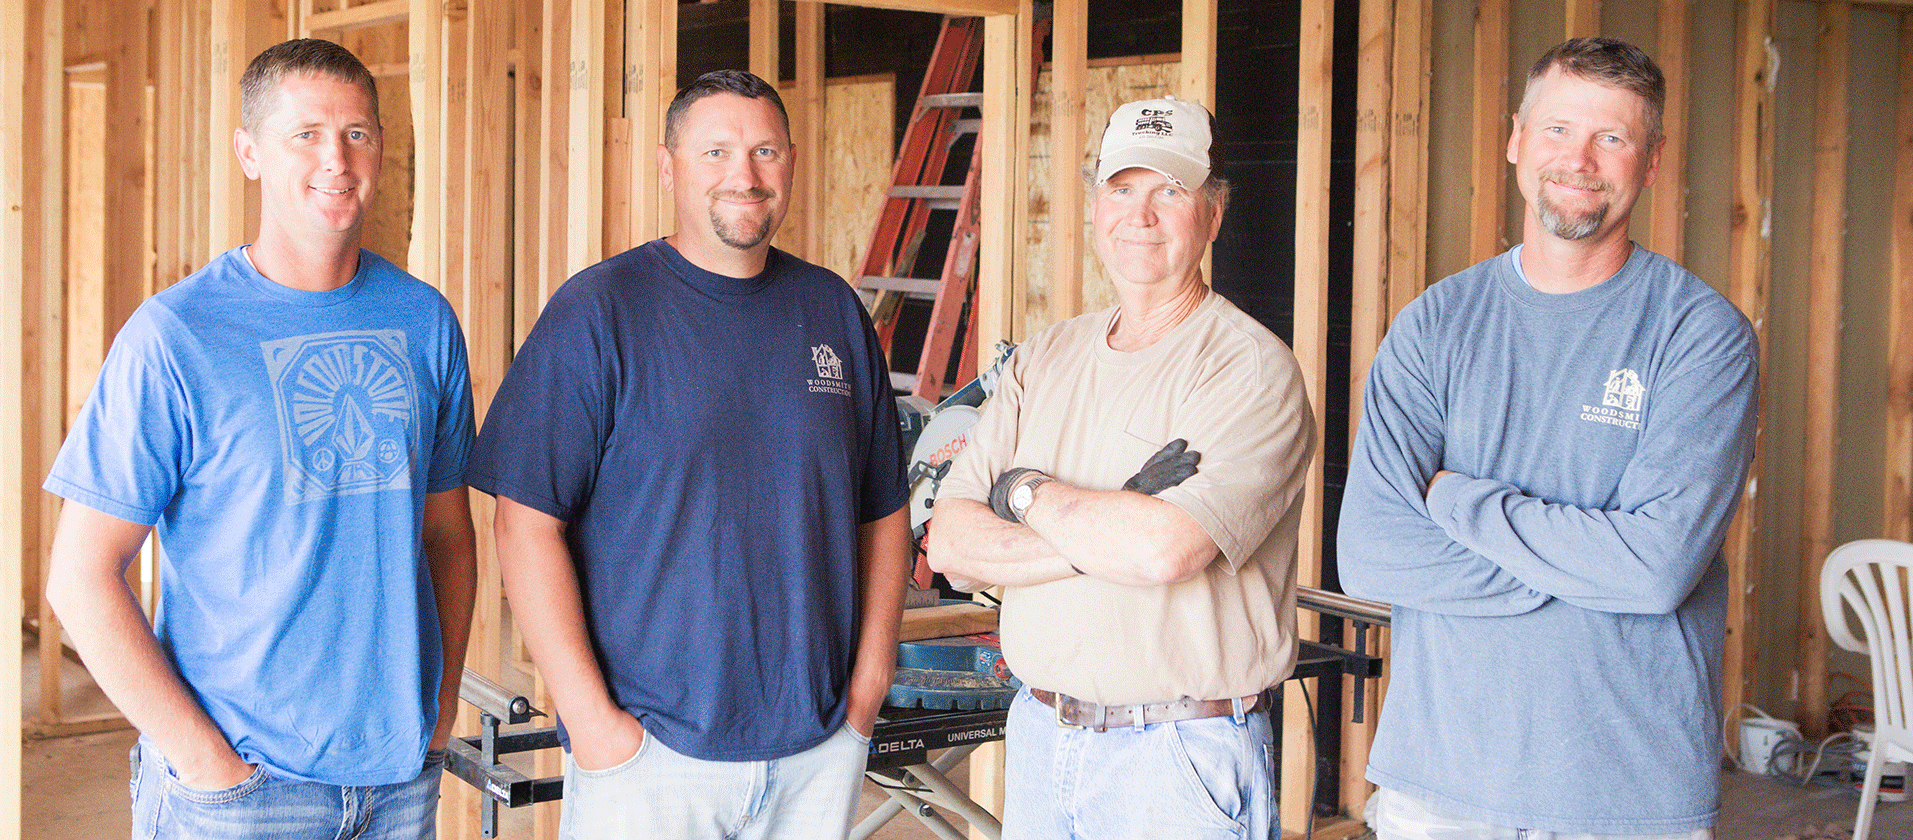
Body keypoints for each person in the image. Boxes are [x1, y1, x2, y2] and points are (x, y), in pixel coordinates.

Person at [43, 38, 478, 839]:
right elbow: (80, 578)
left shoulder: (425, 321)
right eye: (304, 134)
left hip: (399, 780)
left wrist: (439, 708)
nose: (337, 159)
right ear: (249, 152)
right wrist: (203, 759)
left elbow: (448, 537)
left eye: (357, 133)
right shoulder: (176, 336)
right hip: (243, 790)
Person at [465, 69, 908, 839]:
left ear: (792, 162)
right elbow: (523, 522)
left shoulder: (833, 309)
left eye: (765, 151)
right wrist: (594, 724)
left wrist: (867, 687)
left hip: (818, 748)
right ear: (668, 167)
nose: (744, 175)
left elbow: (884, 511)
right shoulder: (600, 311)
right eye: (716, 152)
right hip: (650, 758)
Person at [1338, 37, 1759, 840]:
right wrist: (1576, 573)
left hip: (1629, 799)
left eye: (1613, 137)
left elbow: (1652, 571)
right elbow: (1371, 553)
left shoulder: (1702, 336)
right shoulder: (1434, 325)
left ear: (1653, 160)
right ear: (1516, 141)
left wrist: (1457, 498)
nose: (1580, 160)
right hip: (1439, 790)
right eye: (1559, 130)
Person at [925, 95, 1315, 840]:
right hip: (1040, 737)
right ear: (1094, 204)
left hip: (1177, 761)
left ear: (1214, 213)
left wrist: (1023, 490)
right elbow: (951, 546)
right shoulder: (1042, 359)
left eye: (1171, 191)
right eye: (1122, 188)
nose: (1142, 215)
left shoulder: (1249, 369)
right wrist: (1108, 523)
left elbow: (1167, 550)